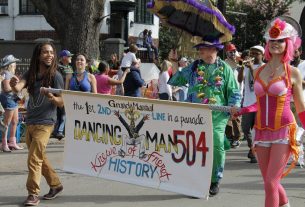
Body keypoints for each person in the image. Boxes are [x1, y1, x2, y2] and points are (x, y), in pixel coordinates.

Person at [232, 16, 305, 207]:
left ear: (288, 43)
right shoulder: (258, 71)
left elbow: (300, 107)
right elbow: (259, 104)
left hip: (283, 130)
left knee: (271, 182)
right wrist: (242, 110)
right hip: (261, 131)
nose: (275, 44)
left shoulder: (293, 72)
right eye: (272, 40)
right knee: (269, 182)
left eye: (280, 40)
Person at [168, 36, 241, 196]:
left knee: (216, 144)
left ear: (215, 50)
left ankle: (215, 179)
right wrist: (174, 62)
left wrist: (235, 106)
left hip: (218, 115)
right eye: (201, 49)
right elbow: (176, 80)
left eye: (206, 48)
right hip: (195, 115)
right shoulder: (194, 68)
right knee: (194, 146)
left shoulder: (225, 69)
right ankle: (197, 180)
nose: (202, 52)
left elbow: (234, 91)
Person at [9, 41, 65, 206]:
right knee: (40, 157)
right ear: (38, 55)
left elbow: (62, 102)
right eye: (45, 52)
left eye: (51, 52)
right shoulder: (31, 73)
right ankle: (56, 185)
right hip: (31, 122)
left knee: (34, 158)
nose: (50, 55)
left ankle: (33, 194)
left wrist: (52, 97)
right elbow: (19, 87)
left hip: (46, 123)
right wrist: (14, 85)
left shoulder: (56, 76)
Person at [238, 45, 265, 163]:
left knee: (257, 129)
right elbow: (239, 80)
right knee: (245, 128)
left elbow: (259, 80)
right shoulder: (248, 67)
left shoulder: (265, 67)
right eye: (252, 53)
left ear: (262, 55)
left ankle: (254, 151)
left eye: (256, 53)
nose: (253, 55)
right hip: (248, 103)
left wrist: (252, 68)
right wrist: (243, 68)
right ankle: (251, 148)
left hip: (260, 104)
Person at [0, 54, 23, 152]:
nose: (15, 64)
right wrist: (16, 88)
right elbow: (6, 88)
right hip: (9, 100)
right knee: (7, 123)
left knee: (15, 121)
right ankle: (4, 143)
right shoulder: (6, 74)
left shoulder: (9, 73)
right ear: (10, 64)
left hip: (13, 100)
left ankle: (12, 142)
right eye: (14, 62)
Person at [225, 43, 243, 148]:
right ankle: (229, 136)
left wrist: (240, 62)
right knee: (226, 115)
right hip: (227, 92)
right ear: (227, 53)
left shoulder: (239, 62)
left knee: (236, 116)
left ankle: (237, 138)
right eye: (230, 52)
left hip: (237, 92)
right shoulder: (224, 64)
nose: (232, 53)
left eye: (234, 51)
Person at [53, 50, 73, 140]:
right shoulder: (58, 67)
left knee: (63, 113)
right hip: (58, 92)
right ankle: (58, 131)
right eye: (69, 56)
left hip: (67, 93)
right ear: (64, 58)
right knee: (60, 113)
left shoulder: (69, 67)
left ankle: (59, 131)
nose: (71, 58)